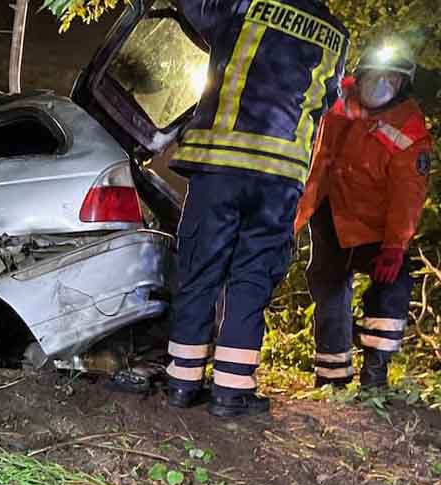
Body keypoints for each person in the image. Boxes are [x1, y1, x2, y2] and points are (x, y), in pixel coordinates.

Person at [164, 0, 349, 417]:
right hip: (280, 179)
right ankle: (232, 393)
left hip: (221, 166)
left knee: (200, 271)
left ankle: (182, 384)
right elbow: (328, 101)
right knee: (251, 281)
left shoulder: (243, 4)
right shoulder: (336, 33)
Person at [294, 43, 432, 389]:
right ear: (360, 76)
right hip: (331, 214)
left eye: (392, 79)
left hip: (378, 225)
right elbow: (317, 165)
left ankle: (375, 374)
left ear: (403, 85)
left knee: (393, 287)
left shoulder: (409, 128)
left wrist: (395, 245)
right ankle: (331, 380)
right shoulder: (336, 101)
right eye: (375, 76)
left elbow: (408, 194)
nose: (381, 85)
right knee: (329, 289)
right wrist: (292, 223)